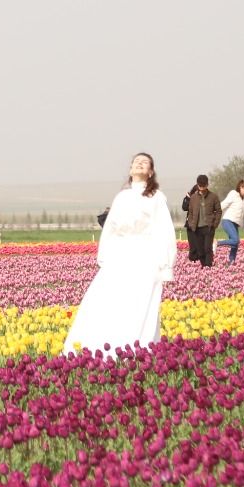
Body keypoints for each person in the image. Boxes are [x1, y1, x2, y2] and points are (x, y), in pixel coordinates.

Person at [64, 152, 178, 357]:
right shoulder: (122, 197)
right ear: (130, 169)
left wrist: (166, 263)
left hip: (145, 256)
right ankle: (102, 349)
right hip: (120, 256)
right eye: (136, 162)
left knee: (139, 303)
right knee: (108, 301)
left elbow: (165, 230)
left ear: (151, 172)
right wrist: (105, 256)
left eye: (145, 163)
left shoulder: (157, 197)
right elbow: (110, 229)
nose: (139, 164)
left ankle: (137, 349)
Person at [181, 175, 221, 268]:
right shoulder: (193, 197)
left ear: (207, 185)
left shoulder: (213, 197)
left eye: (204, 186)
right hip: (196, 228)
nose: (202, 188)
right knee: (200, 250)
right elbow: (190, 211)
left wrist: (215, 224)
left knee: (207, 248)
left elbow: (219, 211)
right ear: (198, 185)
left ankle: (208, 266)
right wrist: (191, 224)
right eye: (200, 186)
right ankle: (204, 267)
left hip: (209, 227)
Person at [218, 180, 244, 264]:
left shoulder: (243, 201)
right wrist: (214, 210)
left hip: (235, 224)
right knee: (235, 240)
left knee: (235, 245)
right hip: (228, 221)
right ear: (241, 187)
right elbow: (223, 204)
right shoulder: (233, 194)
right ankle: (216, 243)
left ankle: (231, 262)